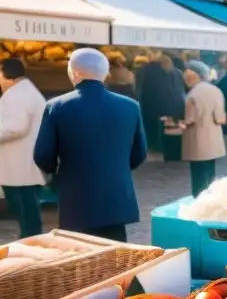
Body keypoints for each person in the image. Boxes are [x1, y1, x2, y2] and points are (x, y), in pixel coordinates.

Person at [33, 48, 146, 242]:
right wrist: (116, 168)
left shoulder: (57, 106)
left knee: (80, 258)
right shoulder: (130, 106)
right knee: (116, 256)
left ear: (74, 72)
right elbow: (139, 153)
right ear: (105, 73)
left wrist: (59, 174)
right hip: (115, 194)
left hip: (76, 196)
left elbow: (42, 155)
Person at [0, 59, 46, 237]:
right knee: (28, 210)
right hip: (23, 164)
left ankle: (31, 244)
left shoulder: (16, 95)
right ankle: (33, 241)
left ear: (7, 75)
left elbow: (16, 127)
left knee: (24, 212)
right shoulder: (27, 91)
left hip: (17, 166)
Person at [180, 60, 226, 198]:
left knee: (198, 174)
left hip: (197, 139)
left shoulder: (193, 95)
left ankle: (199, 198)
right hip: (214, 138)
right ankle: (211, 196)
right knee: (210, 170)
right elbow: (220, 118)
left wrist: (180, 125)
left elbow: (190, 120)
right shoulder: (216, 90)